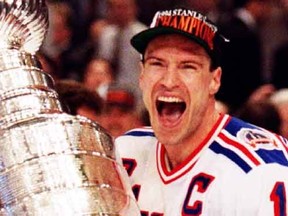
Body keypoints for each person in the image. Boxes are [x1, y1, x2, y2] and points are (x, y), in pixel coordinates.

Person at [114, 8, 288, 215]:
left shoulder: (263, 170)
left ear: (215, 80)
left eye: (188, 67)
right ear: (141, 75)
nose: (169, 81)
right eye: (157, 63)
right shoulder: (124, 153)